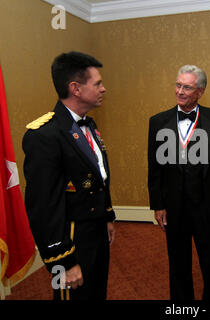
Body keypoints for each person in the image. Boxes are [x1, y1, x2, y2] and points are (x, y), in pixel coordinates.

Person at [22, 51, 116, 300]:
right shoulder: (44, 136)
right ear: (75, 88)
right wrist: (62, 261)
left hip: (96, 231)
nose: (103, 89)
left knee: (96, 293)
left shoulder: (89, 125)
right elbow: (43, 207)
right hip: (71, 238)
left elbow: (99, 180)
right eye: (97, 83)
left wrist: (107, 216)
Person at [148, 65, 210, 300]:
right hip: (174, 206)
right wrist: (158, 204)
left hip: (207, 205)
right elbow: (154, 168)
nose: (180, 91)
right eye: (178, 85)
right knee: (178, 264)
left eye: (187, 87)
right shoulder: (158, 122)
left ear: (200, 91)